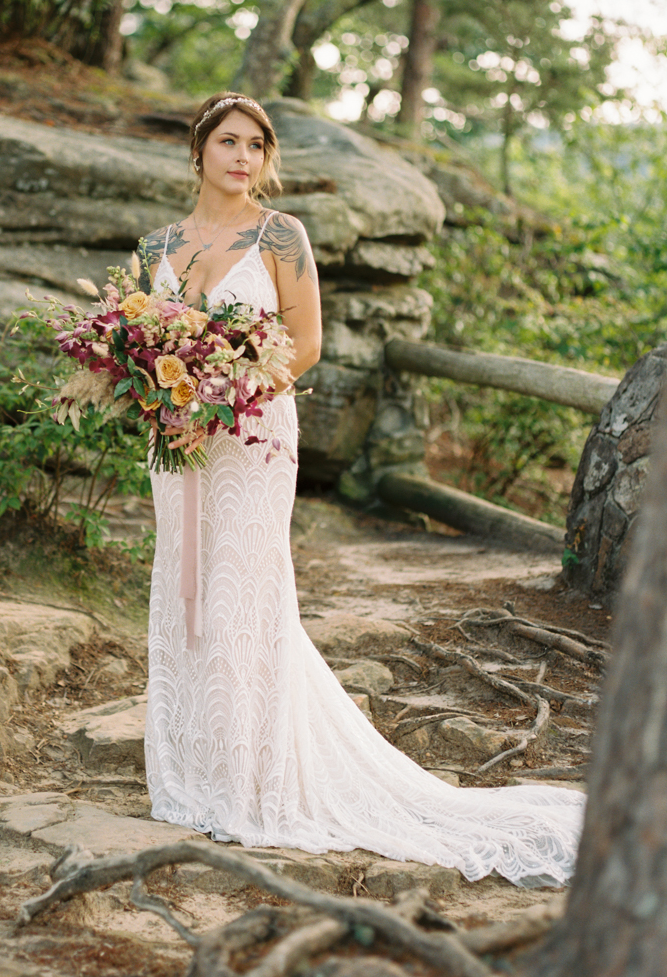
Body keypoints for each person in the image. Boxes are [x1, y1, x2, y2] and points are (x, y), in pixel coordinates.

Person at [138, 92, 584, 886]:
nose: (244, 157)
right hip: (175, 442)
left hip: (249, 435)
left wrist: (216, 397)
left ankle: (249, 779)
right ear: (198, 148)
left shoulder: (281, 236)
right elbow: (143, 345)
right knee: (185, 589)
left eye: (257, 145)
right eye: (230, 142)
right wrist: (162, 403)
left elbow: (303, 346)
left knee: (244, 589)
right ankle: (193, 771)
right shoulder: (155, 247)